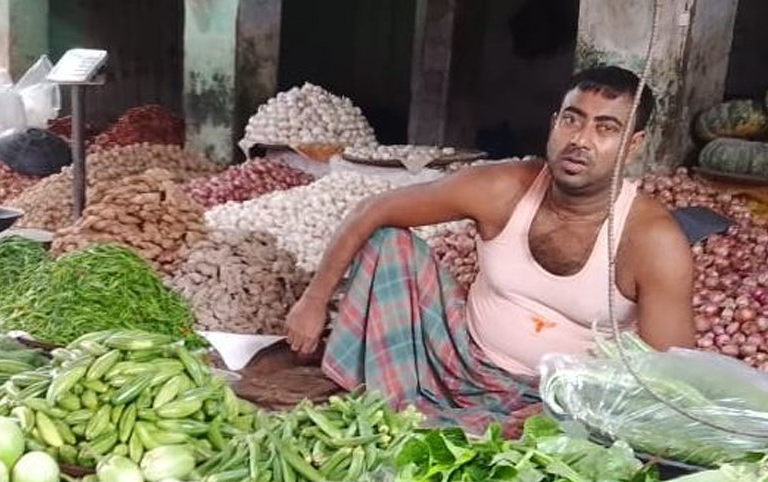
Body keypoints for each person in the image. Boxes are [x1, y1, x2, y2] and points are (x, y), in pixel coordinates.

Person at [285, 65, 695, 433]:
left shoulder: (651, 240)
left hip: (559, 397)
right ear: (554, 123)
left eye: (606, 129)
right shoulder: (502, 188)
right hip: (457, 356)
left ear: (634, 144)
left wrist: (575, 408)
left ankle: (439, 417)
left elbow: (670, 378)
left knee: (550, 443)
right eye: (572, 120)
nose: (581, 140)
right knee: (388, 242)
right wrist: (314, 299)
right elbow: (374, 209)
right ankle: (399, 397)